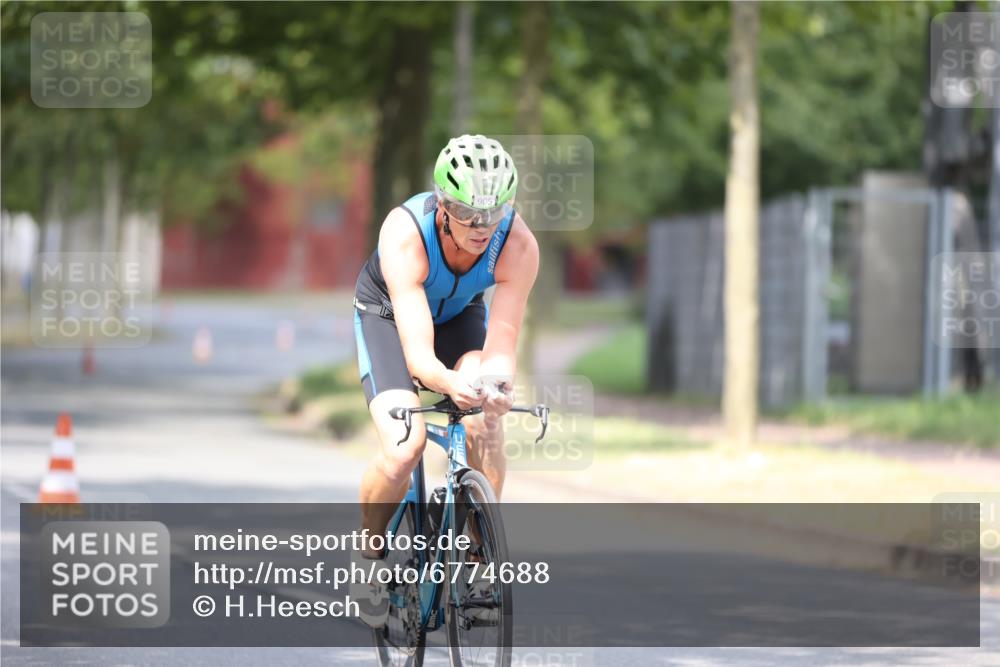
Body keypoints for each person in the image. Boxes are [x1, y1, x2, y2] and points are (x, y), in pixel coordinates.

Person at [351, 134, 539, 626]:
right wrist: (446, 382)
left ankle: (479, 565)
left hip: (458, 315)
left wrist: (495, 385)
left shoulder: (517, 243)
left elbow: (503, 336)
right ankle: (368, 558)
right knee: (403, 447)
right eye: (467, 214)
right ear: (441, 205)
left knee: (484, 417)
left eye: (493, 213)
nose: (482, 227)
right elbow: (418, 355)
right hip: (390, 316)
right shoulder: (405, 232)